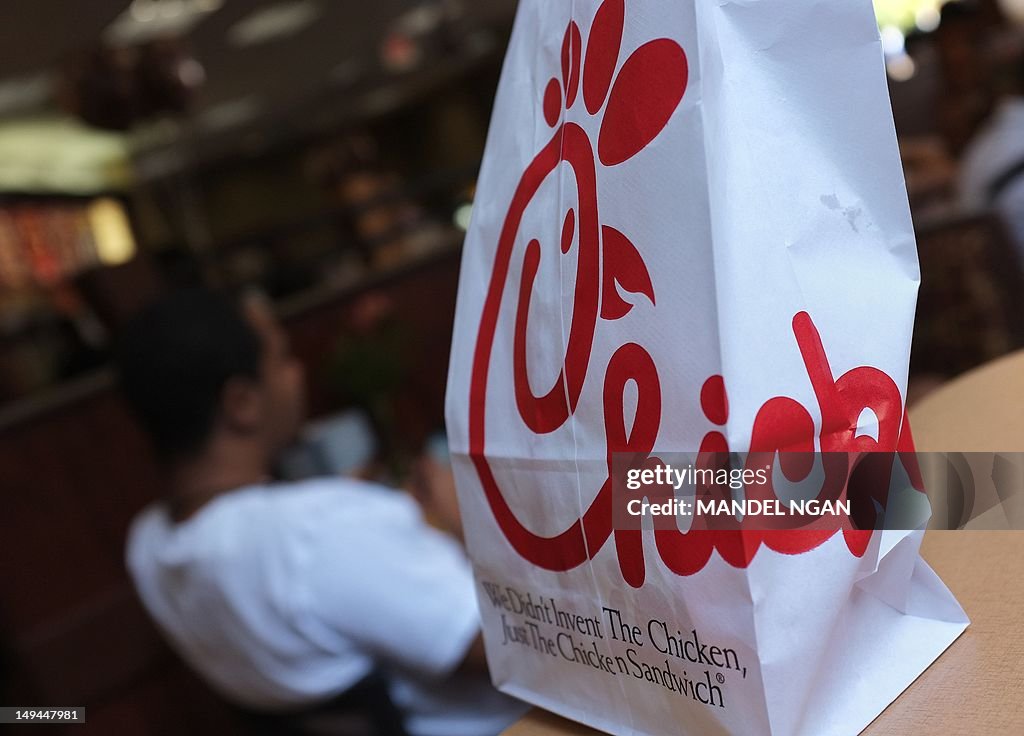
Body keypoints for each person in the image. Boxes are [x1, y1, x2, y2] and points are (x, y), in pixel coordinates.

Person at [116, 288, 525, 736]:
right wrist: (468, 525)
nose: (296, 374)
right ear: (242, 403)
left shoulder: (148, 544)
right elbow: (522, 646)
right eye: (282, 358)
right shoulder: (316, 533)